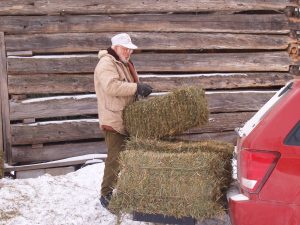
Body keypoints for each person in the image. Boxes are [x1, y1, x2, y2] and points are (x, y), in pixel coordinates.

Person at [94, 33, 153, 209]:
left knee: (125, 157)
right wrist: (137, 88)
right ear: (116, 47)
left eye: (130, 50)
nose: (129, 52)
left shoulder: (122, 63)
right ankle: (106, 195)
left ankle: (122, 189)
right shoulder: (106, 63)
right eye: (126, 49)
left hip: (125, 118)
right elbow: (111, 87)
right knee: (115, 158)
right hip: (113, 119)